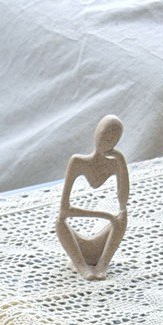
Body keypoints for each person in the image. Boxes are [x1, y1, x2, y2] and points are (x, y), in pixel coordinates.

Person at [55, 116, 128, 280]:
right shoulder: (78, 162)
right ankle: (81, 266)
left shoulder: (115, 164)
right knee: (59, 221)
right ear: (96, 134)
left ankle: (103, 265)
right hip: (77, 244)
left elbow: (123, 204)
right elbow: (64, 210)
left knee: (123, 215)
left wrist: (121, 161)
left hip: (103, 243)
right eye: (105, 135)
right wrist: (107, 216)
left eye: (114, 139)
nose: (108, 141)